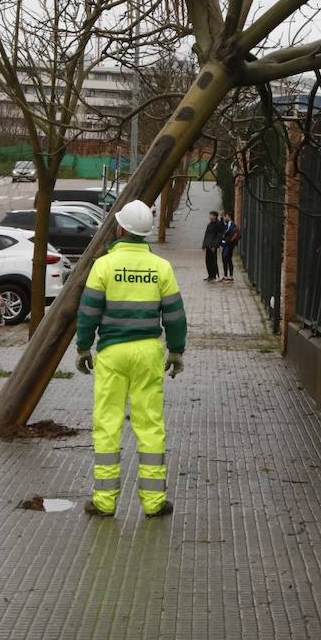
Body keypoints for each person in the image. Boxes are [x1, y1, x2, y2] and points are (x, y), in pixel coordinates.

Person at [75, 198, 187, 519]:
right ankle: (153, 503)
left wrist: (84, 347)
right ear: (147, 232)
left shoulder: (104, 265)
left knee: (107, 423)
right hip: (149, 351)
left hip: (112, 352)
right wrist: (176, 351)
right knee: (150, 423)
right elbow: (176, 316)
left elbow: (89, 313)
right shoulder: (161, 267)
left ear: (120, 228)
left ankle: (104, 501)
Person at [202, 209, 223, 281]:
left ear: (215, 216)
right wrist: (204, 245)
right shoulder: (209, 224)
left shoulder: (218, 224)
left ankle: (214, 275)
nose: (209, 217)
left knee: (213, 261)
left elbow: (219, 236)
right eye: (210, 215)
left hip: (213, 246)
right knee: (208, 261)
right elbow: (206, 235)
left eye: (211, 215)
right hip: (208, 245)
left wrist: (215, 245)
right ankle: (210, 275)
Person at [220, 209, 240, 282]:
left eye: (226, 216)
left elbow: (232, 233)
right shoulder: (225, 224)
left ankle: (230, 276)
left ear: (229, 217)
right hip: (225, 244)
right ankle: (225, 275)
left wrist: (228, 240)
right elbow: (222, 228)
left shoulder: (232, 225)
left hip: (230, 244)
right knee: (224, 258)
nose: (225, 217)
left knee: (227, 258)